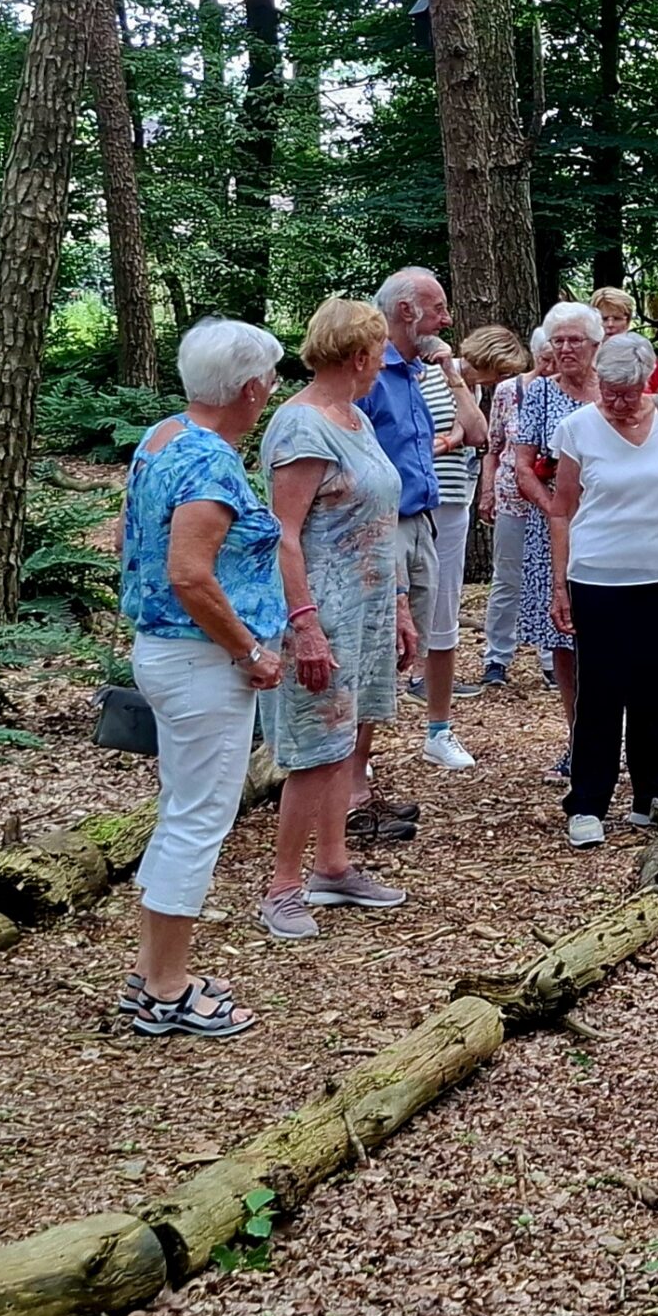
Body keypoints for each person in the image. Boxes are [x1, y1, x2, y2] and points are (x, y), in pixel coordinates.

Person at [115, 318, 287, 1036]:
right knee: (197, 820)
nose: (273, 390)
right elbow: (190, 573)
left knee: (182, 809)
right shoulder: (211, 463)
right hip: (202, 662)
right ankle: (166, 989)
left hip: (167, 653)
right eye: (270, 379)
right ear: (249, 389)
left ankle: (155, 971)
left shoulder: (162, 436)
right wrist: (248, 650)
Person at [259, 297, 416, 940]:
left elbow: (381, 522)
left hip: (369, 609)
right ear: (358, 356)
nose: (382, 363)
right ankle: (281, 888)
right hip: (321, 610)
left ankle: (333, 867)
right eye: (379, 353)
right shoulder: (300, 428)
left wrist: (401, 605)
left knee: (346, 739)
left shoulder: (353, 418)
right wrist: (305, 625)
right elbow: (283, 535)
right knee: (315, 750)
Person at [549, 334, 658, 846]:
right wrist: (560, 581)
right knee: (600, 689)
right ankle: (587, 801)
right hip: (599, 574)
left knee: (651, 688)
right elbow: (562, 509)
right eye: (609, 392)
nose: (618, 403)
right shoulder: (577, 428)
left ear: (648, 382)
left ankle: (651, 794)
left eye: (628, 393)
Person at [363, 267, 488, 781]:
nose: (448, 318)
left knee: (424, 630)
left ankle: (432, 732)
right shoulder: (367, 374)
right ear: (407, 312)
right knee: (378, 638)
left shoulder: (423, 371)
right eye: (438, 308)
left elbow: (478, 433)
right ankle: (352, 759)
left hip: (424, 522)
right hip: (382, 524)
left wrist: (451, 373)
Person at [512, 301, 603, 772]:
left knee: (608, 635)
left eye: (575, 340)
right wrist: (555, 513)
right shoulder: (541, 395)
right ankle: (578, 741)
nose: (566, 349)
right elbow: (523, 465)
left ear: (595, 345)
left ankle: (611, 735)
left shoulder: (612, 393)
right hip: (552, 531)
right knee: (563, 638)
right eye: (558, 341)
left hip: (612, 528)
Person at [479, 325, 553, 689]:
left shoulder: (569, 392)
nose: (550, 366)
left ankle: (552, 656)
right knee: (507, 578)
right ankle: (496, 657)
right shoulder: (508, 391)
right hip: (512, 497)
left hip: (557, 501)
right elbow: (492, 449)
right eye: (545, 359)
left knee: (554, 577)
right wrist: (487, 493)